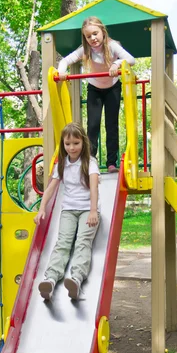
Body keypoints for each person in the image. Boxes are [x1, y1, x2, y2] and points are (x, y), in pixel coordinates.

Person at [57, 16, 135, 173]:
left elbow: (131, 59)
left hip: (113, 88)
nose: (93, 38)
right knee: (93, 126)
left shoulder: (112, 46)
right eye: (88, 36)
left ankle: (111, 163)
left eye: (95, 33)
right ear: (85, 38)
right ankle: (91, 161)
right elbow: (66, 60)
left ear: (103, 32)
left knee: (111, 125)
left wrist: (116, 63)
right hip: (95, 89)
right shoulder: (85, 50)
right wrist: (61, 72)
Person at [34, 122, 100, 301]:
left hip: (88, 209)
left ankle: (76, 278)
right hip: (69, 210)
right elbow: (50, 188)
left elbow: (94, 187)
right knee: (63, 243)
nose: (72, 147)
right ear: (63, 144)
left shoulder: (90, 163)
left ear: (83, 143)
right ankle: (51, 279)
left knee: (82, 242)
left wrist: (93, 210)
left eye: (76, 143)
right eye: (67, 144)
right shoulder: (61, 164)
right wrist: (41, 209)